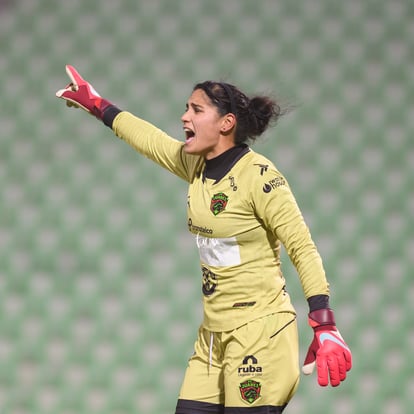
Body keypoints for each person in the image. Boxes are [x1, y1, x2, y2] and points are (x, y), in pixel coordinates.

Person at [56, 65, 352, 413]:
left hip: (260, 334)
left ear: (226, 124)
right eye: (186, 108)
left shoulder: (260, 177)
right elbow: (148, 139)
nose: (184, 117)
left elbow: (302, 247)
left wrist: (324, 323)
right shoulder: (194, 165)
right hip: (212, 338)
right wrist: (96, 104)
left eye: (196, 110)